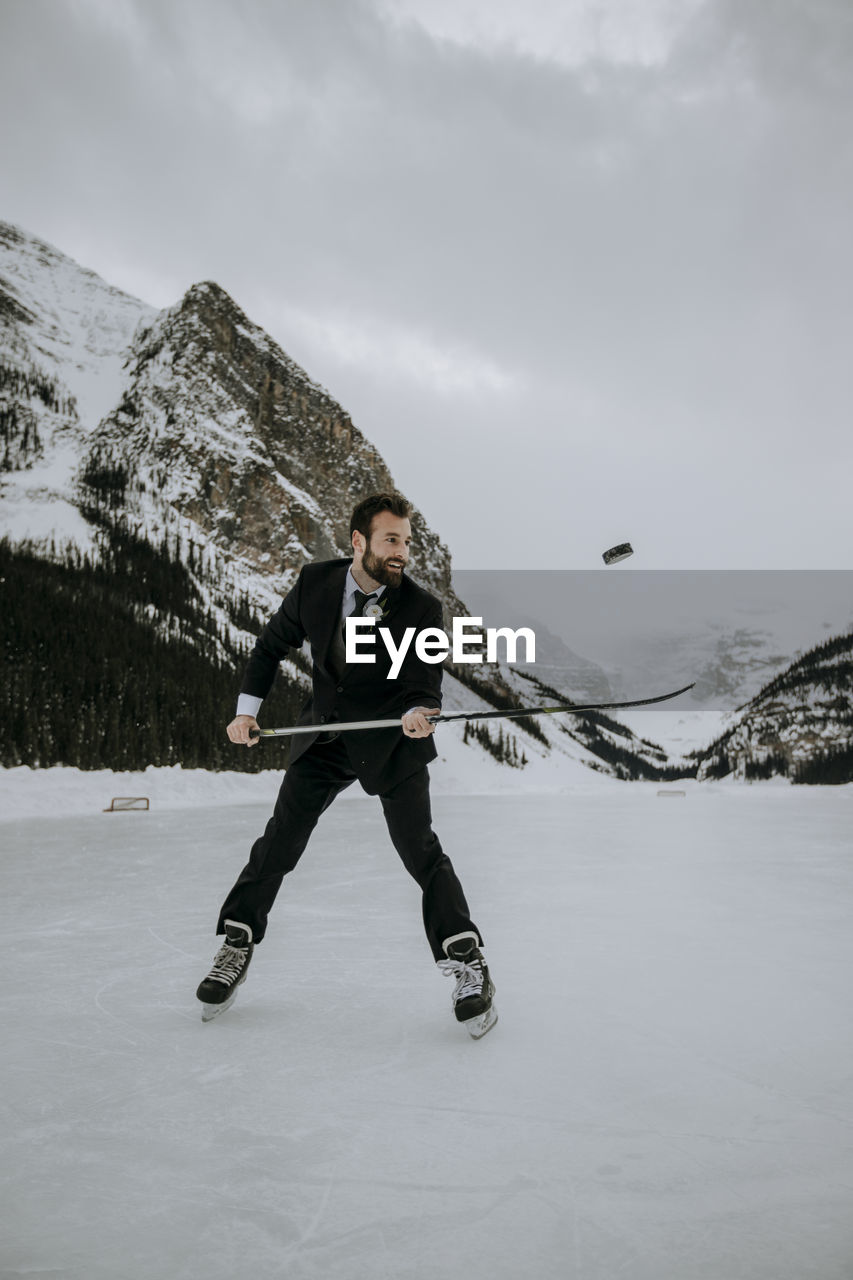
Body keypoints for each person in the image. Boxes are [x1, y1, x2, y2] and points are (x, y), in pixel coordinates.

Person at [196, 492, 497, 1037]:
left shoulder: (422, 608)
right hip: (324, 738)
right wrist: (245, 713)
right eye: (391, 540)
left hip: (391, 741)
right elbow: (268, 648)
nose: (402, 551)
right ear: (358, 541)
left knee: (419, 850)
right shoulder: (316, 583)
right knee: (280, 840)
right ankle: (236, 942)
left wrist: (416, 712)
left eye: (406, 541)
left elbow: (425, 683)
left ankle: (468, 962)